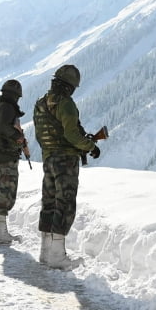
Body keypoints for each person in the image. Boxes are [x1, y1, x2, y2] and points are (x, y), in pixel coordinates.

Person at [33, 64, 100, 267]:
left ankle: (45, 253)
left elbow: (40, 134)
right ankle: (57, 257)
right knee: (65, 202)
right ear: (70, 86)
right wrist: (90, 146)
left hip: (48, 158)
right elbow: (71, 134)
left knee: (50, 201)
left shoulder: (41, 102)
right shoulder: (66, 103)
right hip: (65, 161)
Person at [0, 80, 30, 244]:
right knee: (6, 192)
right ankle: (1, 233)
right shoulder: (7, 108)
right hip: (5, 156)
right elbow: (5, 127)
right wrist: (18, 137)